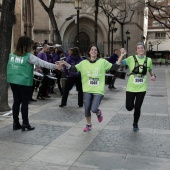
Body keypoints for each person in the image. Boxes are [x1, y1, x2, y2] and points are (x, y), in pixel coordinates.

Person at [59, 45, 126, 132]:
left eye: (95, 50)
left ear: (97, 52)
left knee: (93, 108)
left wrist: (121, 55)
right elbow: (73, 69)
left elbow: (114, 67)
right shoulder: (84, 63)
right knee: (87, 108)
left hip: (98, 90)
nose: (93, 51)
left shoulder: (102, 62)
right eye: (92, 50)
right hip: (87, 89)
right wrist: (65, 63)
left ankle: (98, 112)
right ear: (89, 52)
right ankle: (89, 125)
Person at [7, 36, 63, 131]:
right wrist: (55, 66)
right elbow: (42, 63)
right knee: (24, 102)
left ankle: (15, 123)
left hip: (13, 80)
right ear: (27, 45)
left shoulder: (12, 54)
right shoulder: (29, 56)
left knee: (16, 101)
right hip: (24, 81)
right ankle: (25, 123)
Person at [121, 42, 156, 132]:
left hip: (142, 88)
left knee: (138, 107)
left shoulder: (148, 60)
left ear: (144, 49)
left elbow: (151, 70)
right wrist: (122, 55)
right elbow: (121, 63)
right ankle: (130, 107)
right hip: (131, 87)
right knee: (129, 107)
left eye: (142, 48)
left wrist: (153, 75)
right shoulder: (131, 58)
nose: (140, 49)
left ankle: (135, 123)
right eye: (138, 48)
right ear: (136, 50)